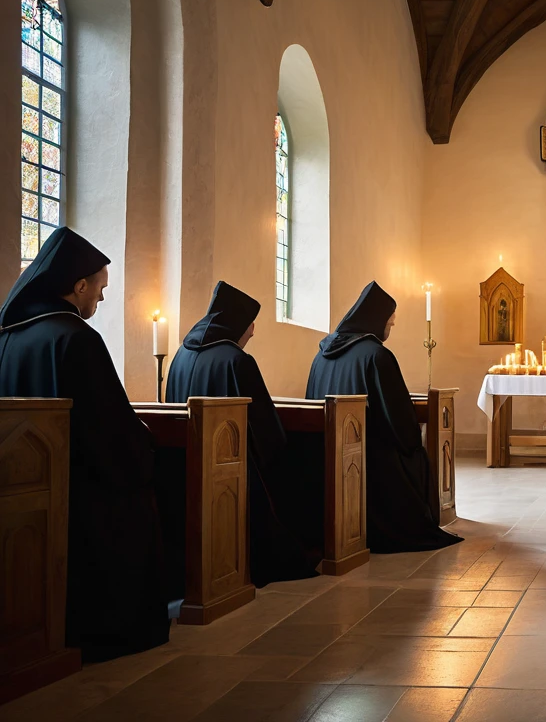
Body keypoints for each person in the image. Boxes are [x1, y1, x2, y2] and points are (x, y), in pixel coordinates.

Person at [0, 227, 169, 660]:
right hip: (83, 491)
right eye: (100, 288)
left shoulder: (9, 336)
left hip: (22, 485)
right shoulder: (76, 337)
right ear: (78, 286)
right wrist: (144, 444)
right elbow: (109, 430)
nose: (102, 298)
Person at [166, 281, 320, 586]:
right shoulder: (237, 360)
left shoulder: (179, 356)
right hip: (232, 472)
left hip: (181, 469)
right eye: (251, 324)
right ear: (237, 323)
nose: (252, 332)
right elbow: (266, 432)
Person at [306, 282, 462, 551]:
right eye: (390, 323)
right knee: (413, 456)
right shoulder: (377, 355)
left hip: (323, 456)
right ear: (376, 321)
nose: (391, 327)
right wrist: (414, 442)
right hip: (369, 460)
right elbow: (399, 420)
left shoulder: (321, 355)